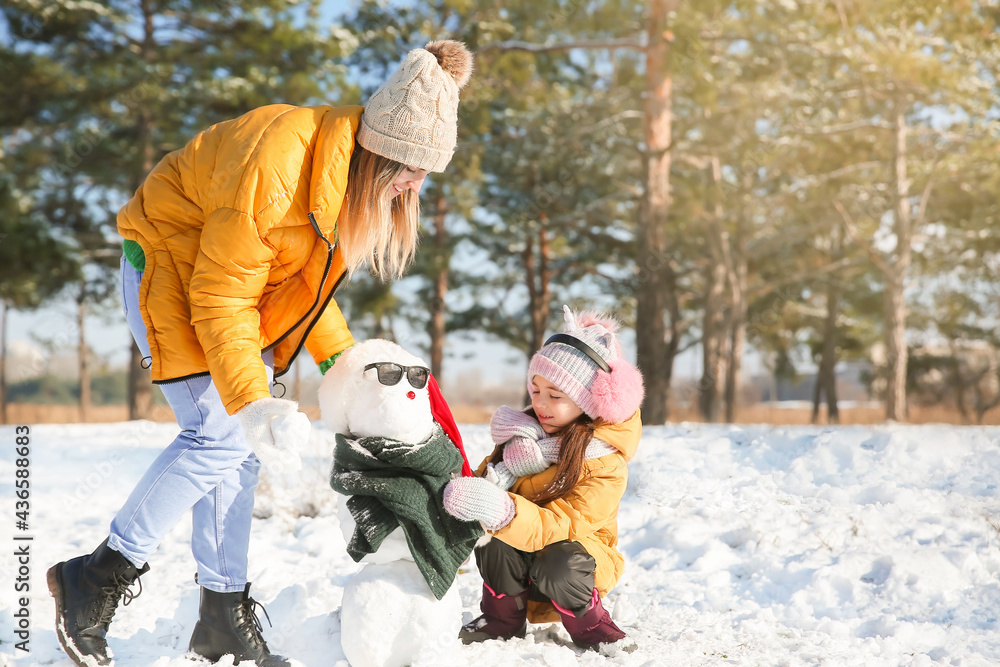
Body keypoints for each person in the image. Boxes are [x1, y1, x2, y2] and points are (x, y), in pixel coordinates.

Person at [46, 40, 474, 667]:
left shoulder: (338, 185)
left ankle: (221, 614)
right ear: (381, 151)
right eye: (411, 169)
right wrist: (252, 399)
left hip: (226, 288)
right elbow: (220, 295)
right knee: (219, 434)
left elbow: (303, 295)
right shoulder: (281, 164)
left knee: (235, 454)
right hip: (169, 265)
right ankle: (94, 577)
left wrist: (347, 365)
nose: (417, 185)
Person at [442, 305, 645, 652]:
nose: (540, 404)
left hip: (579, 562)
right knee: (495, 540)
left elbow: (564, 524)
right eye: (535, 390)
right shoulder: (523, 439)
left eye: (556, 396)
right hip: (524, 559)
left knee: (558, 559)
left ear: (587, 403)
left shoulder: (604, 463)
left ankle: (592, 627)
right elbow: (487, 483)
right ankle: (501, 619)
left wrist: (503, 511)